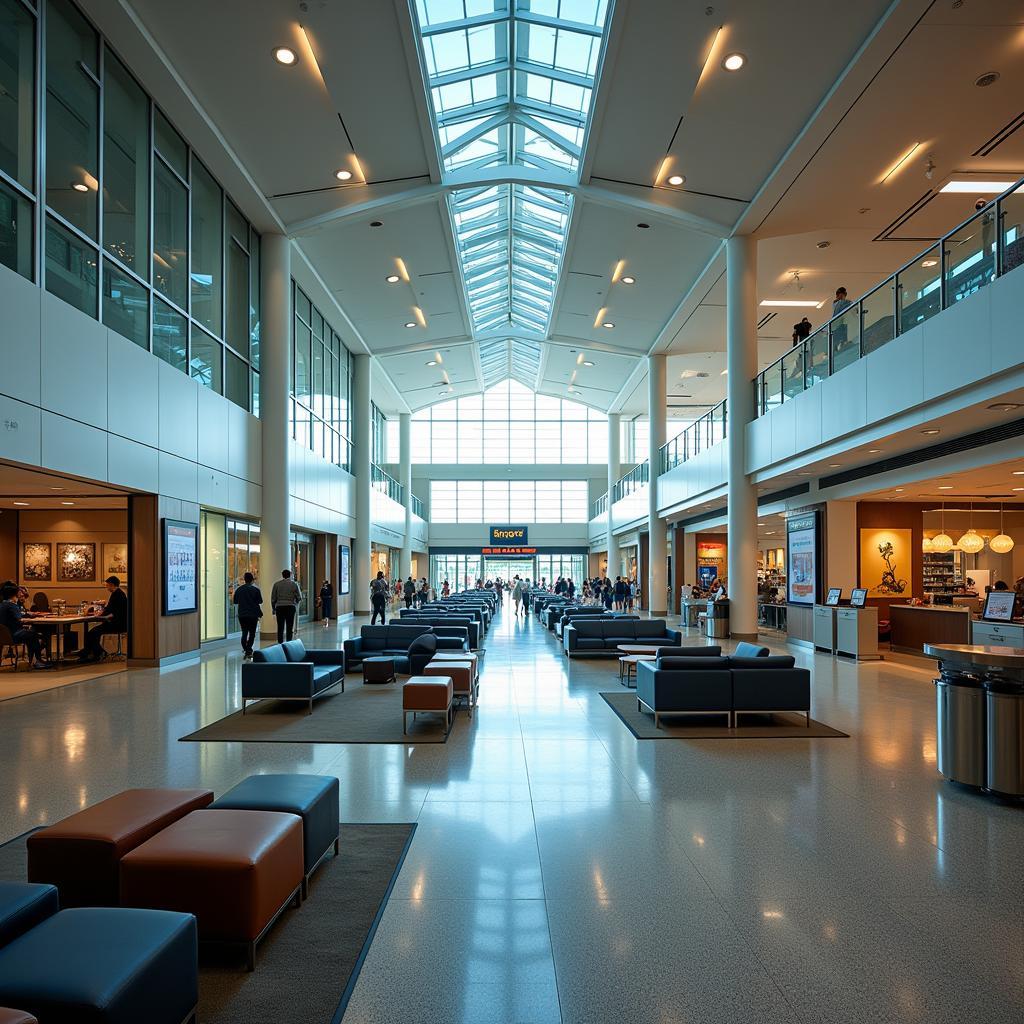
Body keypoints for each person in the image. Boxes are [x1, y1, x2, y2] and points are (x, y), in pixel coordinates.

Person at [0, 581, 47, 669]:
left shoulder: (2, 604)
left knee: (31, 633)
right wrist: (30, 618)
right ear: (14, 595)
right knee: (33, 635)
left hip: (4, 635)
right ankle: (37, 660)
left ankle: (33, 660)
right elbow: (20, 619)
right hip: (14, 634)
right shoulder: (12, 605)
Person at [80, 576, 128, 662]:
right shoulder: (120, 593)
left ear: (112, 585)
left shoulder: (116, 594)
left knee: (92, 633)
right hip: (121, 623)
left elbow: (109, 609)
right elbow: (112, 610)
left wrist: (98, 615)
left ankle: (98, 653)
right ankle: (90, 653)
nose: (107, 588)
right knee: (94, 632)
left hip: (117, 624)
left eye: (107, 585)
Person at [233, 572, 263, 659]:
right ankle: (248, 649)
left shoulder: (239, 590)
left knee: (244, 632)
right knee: (252, 633)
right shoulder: (256, 590)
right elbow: (260, 601)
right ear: (252, 580)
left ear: (244, 579)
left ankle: (246, 649)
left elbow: (235, 601)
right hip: (253, 615)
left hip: (242, 614)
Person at [270, 569, 302, 642]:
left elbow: (273, 598)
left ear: (282, 575)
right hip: (290, 606)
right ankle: (288, 642)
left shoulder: (276, 584)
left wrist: (273, 608)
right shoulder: (294, 584)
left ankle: (280, 642)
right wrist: (295, 603)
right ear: (290, 575)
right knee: (289, 626)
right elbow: (299, 597)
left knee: (280, 626)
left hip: (279, 607)